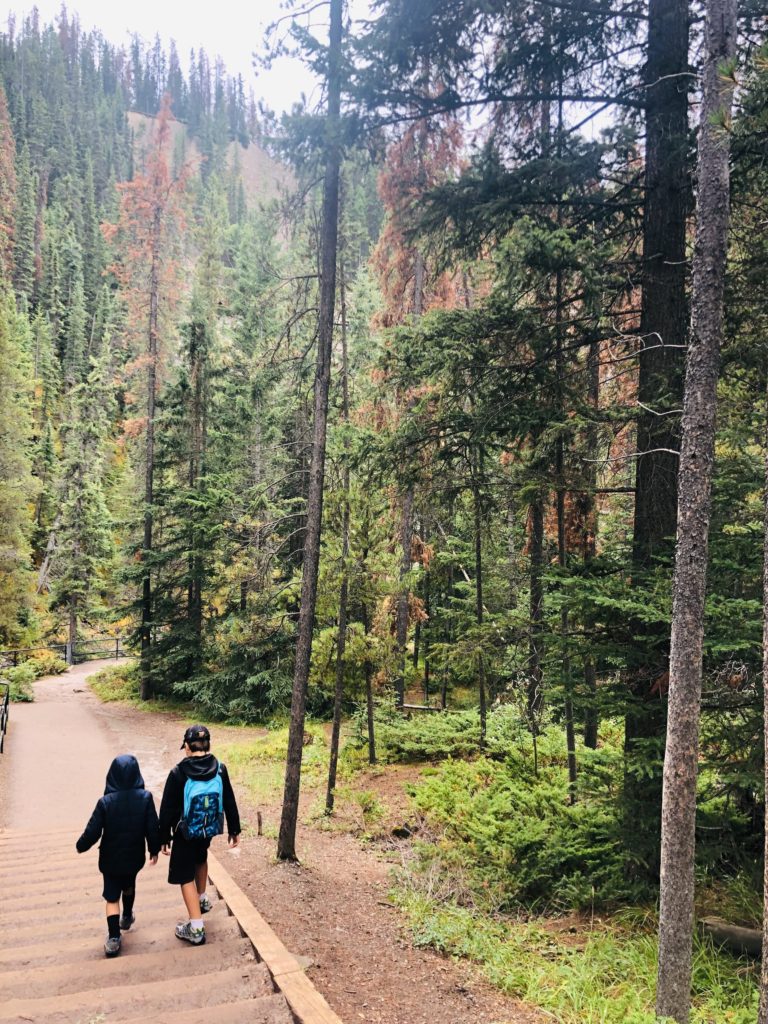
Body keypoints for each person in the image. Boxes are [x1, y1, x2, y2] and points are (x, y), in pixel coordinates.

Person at [159, 724, 241, 946]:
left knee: (184, 875)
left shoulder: (178, 773)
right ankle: (202, 898)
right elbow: (229, 799)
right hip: (208, 828)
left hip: (184, 833)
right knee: (201, 857)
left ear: (187, 746)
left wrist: (163, 838)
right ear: (208, 745)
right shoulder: (220, 769)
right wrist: (234, 829)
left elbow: (167, 809)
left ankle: (195, 929)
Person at [76, 754, 160, 958]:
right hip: (134, 856)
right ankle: (127, 916)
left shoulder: (105, 802)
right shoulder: (145, 798)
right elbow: (152, 827)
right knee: (129, 884)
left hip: (110, 859)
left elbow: (93, 831)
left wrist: (81, 846)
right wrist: (154, 849)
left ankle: (114, 938)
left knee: (111, 896)